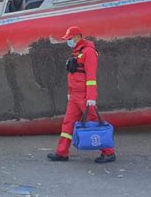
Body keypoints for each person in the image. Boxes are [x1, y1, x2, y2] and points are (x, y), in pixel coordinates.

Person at [47, 26, 116, 163]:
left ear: (78, 37)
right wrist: (70, 93)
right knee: (68, 123)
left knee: (95, 123)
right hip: (74, 96)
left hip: (84, 96)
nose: (68, 41)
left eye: (70, 39)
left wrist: (91, 98)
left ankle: (108, 153)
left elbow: (91, 77)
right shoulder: (76, 53)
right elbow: (73, 76)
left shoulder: (88, 52)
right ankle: (62, 152)